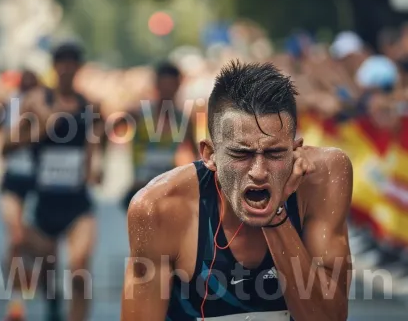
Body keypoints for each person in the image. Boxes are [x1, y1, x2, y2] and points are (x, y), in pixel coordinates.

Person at [121, 60, 352, 321]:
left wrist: (277, 216)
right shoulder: (158, 207)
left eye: (275, 153)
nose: (259, 171)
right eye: (241, 153)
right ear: (210, 155)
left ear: (295, 150)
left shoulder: (324, 176)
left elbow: (329, 317)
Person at [3, 43, 104, 321]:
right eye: (62, 63)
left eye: (73, 64)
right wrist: (40, 130)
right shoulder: (36, 102)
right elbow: (7, 146)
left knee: (80, 268)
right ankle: (50, 298)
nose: (67, 69)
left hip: (77, 201)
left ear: (79, 68)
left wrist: (95, 168)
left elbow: (94, 147)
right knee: (43, 262)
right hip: (43, 200)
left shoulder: (90, 106)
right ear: (54, 67)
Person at [121, 61, 198, 211]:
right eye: (164, 85)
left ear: (178, 86)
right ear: (156, 85)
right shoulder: (138, 114)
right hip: (141, 190)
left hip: (169, 192)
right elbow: (107, 129)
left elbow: (195, 156)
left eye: (171, 85)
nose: (167, 90)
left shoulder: (184, 120)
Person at [0, 69, 40, 320]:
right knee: (15, 237)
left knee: (34, 243)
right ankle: (15, 301)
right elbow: (3, 147)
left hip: (39, 182)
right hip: (13, 179)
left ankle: (39, 281)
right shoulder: (11, 106)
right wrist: (24, 132)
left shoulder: (52, 109)